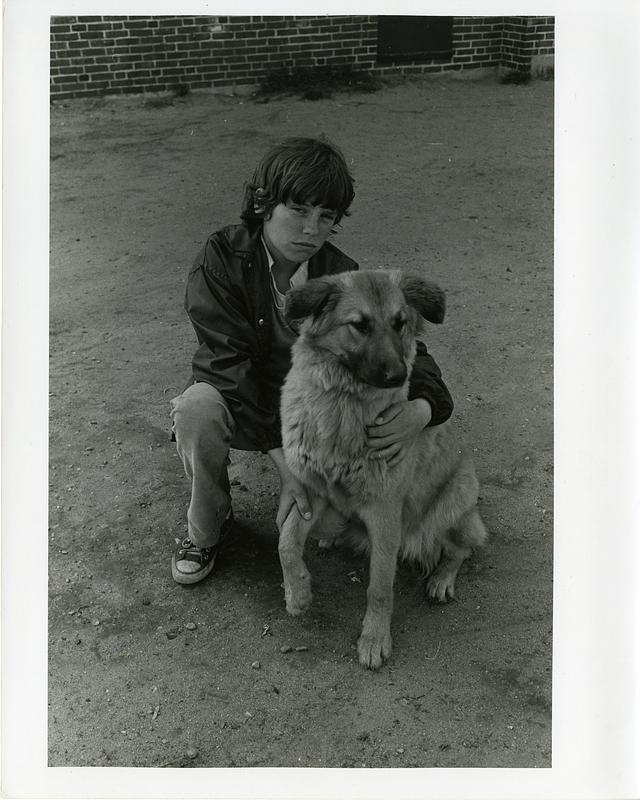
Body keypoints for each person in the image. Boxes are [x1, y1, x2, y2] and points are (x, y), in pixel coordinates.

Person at [170, 136, 453, 584]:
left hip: (307, 413)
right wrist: (289, 469)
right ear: (265, 204)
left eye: (326, 217)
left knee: (331, 526)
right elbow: (226, 363)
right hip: (241, 398)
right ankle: (207, 526)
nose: (311, 230)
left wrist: (424, 409)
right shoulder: (221, 258)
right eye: (298, 210)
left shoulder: (341, 273)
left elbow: (405, 346)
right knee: (196, 409)